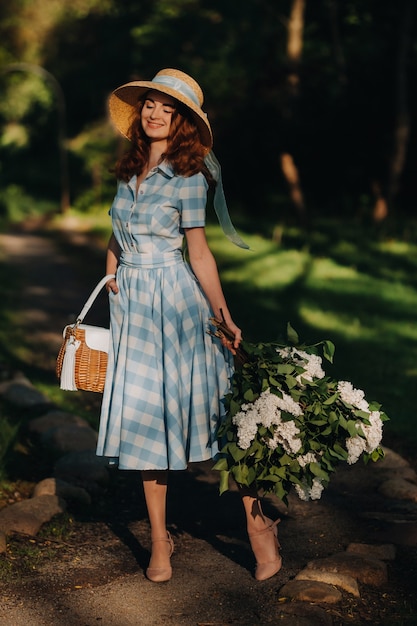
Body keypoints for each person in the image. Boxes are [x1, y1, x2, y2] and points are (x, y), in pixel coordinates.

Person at [96, 68, 282, 582]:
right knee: (144, 423)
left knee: (216, 414)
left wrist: (222, 316)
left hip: (176, 304)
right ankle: (161, 540)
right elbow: (117, 233)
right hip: (131, 307)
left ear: (181, 121)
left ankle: (258, 523)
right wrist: (111, 269)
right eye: (150, 104)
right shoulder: (127, 169)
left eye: (167, 108)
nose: (155, 112)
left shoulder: (190, 176)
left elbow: (198, 252)